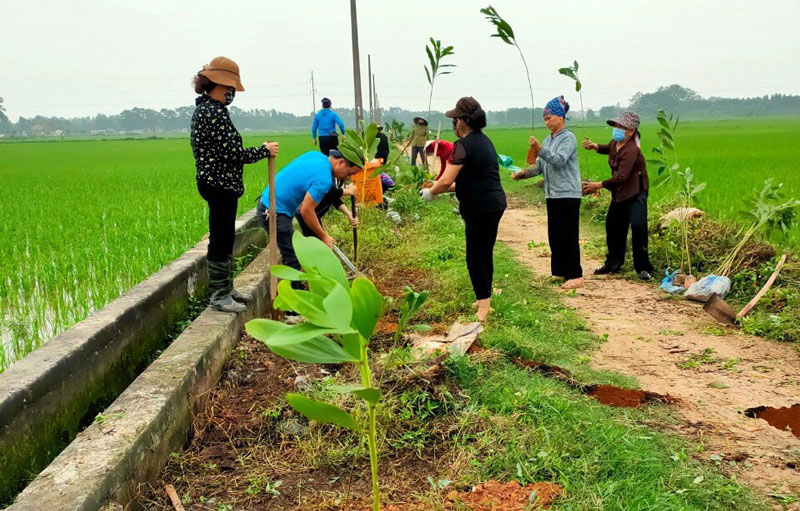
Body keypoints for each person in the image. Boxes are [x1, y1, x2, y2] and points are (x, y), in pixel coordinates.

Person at [191, 56, 279, 313]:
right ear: (221, 86)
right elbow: (233, 153)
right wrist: (264, 151)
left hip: (219, 184)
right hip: (218, 185)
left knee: (225, 236)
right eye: (230, 89)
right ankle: (220, 295)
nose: (232, 94)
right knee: (220, 238)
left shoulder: (210, 110)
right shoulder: (212, 113)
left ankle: (227, 288)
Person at [420, 97, 506, 322]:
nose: (454, 123)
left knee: (474, 256)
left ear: (464, 121)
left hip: (479, 207)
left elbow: (447, 180)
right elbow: (468, 180)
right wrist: (439, 189)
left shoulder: (461, 146)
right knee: (485, 252)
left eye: (456, 119)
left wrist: (432, 191)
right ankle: (483, 298)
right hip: (494, 203)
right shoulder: (485, 141)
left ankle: (484, 308)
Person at [512, 95, 584, 289]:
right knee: (555, 235)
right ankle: (561, 271)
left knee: (568, 234)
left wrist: (539, 148)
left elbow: (559, 160)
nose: (547, 122)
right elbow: (540, 166)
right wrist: (524, 173)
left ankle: (576, 275)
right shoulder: (548, 139)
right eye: (545, 119)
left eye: (549, 118)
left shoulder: (568, 137)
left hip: (568, 193)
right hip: (552, 194)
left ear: (560, 117)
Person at [256, 150, 362, 279]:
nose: (347, 178)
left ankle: (296, 286)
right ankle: (295, 294)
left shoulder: (316, 156)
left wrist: (347, 206)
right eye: (349, 173)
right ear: (341, 162)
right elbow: (306, 210)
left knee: (292, 253)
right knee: (293, 256)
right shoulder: (324, 179)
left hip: (268, 202)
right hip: (273, 212)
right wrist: (324, 236)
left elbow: (329, 192)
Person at [582, 111, 655, 280]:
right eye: (616, 125)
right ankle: (613, 263)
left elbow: (621, 177)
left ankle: (643, 268)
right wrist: (596, 146)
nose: (616, 129)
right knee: (613, 226)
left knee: (638, 226)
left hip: (636, 191)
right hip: (620, 192)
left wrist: (597, 185)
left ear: (630, 131)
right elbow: (610, 149)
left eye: (621, 126)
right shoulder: (617, 142)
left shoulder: (632, 150)